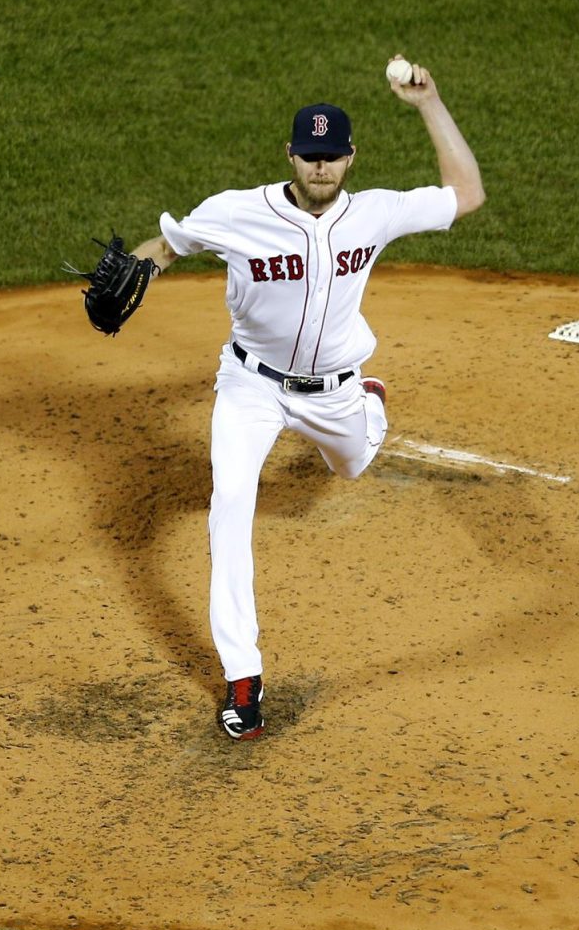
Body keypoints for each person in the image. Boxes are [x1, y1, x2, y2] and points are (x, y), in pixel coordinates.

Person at [128, 55, 485, 740]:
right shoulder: (235, 214)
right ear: (290, 155)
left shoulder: (374, 214)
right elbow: (169, 246)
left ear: (350, 158)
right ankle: (243, 677)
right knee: (230, 502)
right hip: (249, 387)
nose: (320, 169)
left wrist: (429, 105)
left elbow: (465, 194)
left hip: (336, 391)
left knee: (350, 466)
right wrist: (137, 268)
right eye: (310, 156)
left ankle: (370, 403)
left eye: (332, 158)